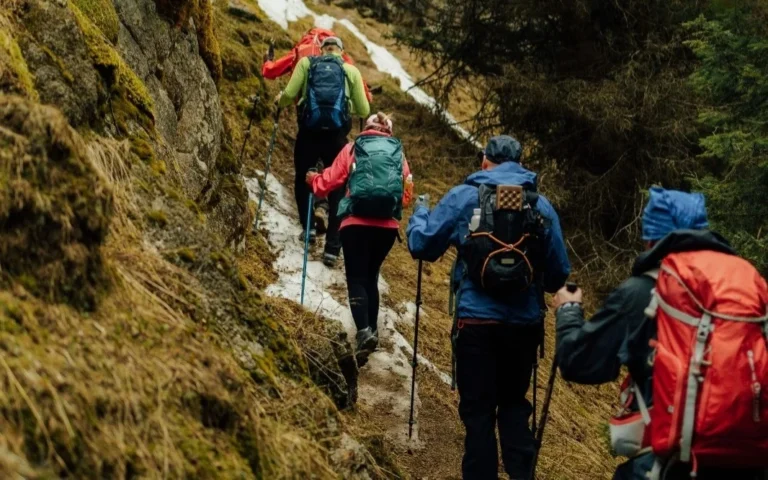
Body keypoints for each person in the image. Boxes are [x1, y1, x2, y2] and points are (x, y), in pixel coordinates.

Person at [553, 187, 767, 480]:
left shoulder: (641, 292)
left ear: (651, 238)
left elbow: (580, 363)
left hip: (668, 465)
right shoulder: (748, 286)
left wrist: (568, 311)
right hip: (749, 464)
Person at [406, 135, 570, 480]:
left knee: (478, 414)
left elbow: (422, 245)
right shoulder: (541, 207)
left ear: (484, 161)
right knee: (513, 407)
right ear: (521, 164)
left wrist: (419, 213)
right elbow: (558, 275)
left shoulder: (464, 197)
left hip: (476, 325)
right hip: (523, 327)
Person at [306, 112, 412, 365]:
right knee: (371, 277)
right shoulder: (399, 154)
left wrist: (313, 181)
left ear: (366, 128)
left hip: (355, 223)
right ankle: (371, 332)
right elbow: (406, 196)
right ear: (389, 131)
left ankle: (364, 331)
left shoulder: (353, 148)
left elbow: (328, 182)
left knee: (356, 277)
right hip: (386, 227)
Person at [278, 36, 370, 267]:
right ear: (341, 51)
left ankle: (308, 229)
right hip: (337, 138)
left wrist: (280, 103)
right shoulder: (351, 71)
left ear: (321, 50)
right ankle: (332, 248)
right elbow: (363, 108)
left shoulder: (307, 63)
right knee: (338, 187)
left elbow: (289, 94)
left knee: (303, 179)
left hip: (309, 132)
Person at [261, 27, 373, 102]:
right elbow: (357, 80)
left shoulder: (301, 50)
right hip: (335, 108)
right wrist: (368, 95)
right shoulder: (339, 54)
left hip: (306, 108)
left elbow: (270, 71)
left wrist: (267, 61)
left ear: (308, 35)